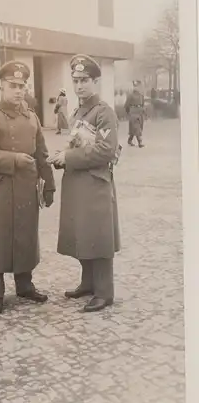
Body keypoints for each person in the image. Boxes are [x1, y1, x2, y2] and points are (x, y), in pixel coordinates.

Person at [0, 60, 56, 315]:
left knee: (24, 235)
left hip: (25, 187)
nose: (18, 90)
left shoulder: (31, 117)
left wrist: (49, 183)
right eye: (13, 85)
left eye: (22, 85)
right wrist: (13, 159)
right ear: (1, 87)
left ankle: (24, 285)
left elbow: (41, 151)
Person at [48, 54, 120, 313]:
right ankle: (88, 283)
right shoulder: (78, 111)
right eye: (76, 80)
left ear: (96, 82)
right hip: (79, 182)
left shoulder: (104, 113)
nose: (79, 86)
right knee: (83, 233)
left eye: (85, 80)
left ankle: (104, 292)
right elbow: (76, 144)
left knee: (98, 236)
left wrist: (68, 157)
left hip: (96, 184)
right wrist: (61, 156)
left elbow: (106, 151)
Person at [124, 80, 145, 147]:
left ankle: (130, 140)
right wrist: (128, 112)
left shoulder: (141, 95)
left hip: (140, 112)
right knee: (136, 127)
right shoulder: (130, 95)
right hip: (133, 112)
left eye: (138, 86)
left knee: (137, 127)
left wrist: (144, 112)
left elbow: (143, 104)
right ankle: (140, 142)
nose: (137, 88)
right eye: (135, 86)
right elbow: (126, 105)